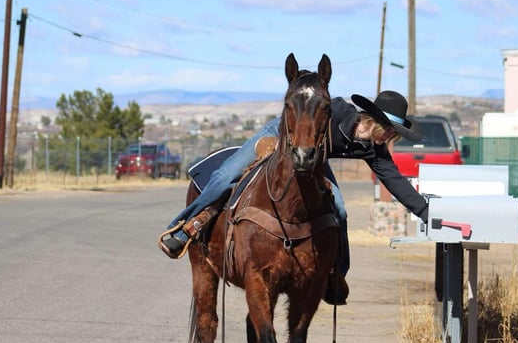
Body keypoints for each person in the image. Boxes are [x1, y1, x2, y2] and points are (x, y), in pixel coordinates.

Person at [159, 90, 430, 305]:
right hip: (280, 136)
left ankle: (336, 275)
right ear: (378, 123)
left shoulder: (373, 148)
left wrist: (425, 212)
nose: (393, 138)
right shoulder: (335, 112)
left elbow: (394, 181)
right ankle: (184, 229)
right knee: (223, 177)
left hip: (312, 160)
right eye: (393, 132)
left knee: (340, 209)